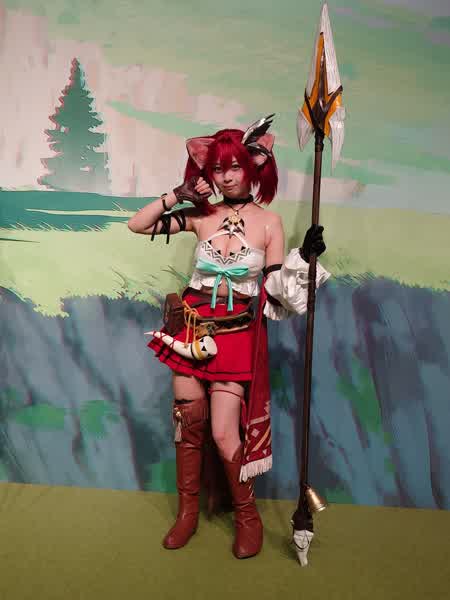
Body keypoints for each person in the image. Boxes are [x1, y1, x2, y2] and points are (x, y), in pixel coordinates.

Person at [127, 116, 330, 559]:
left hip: (236, 336)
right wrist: (175, 196)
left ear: (253, 166)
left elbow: (275, 290)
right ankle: (187, 514)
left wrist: (304, 258)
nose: (226, 176)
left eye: (234, 166)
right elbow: (136, 225)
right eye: (217, 168)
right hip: (189, 330)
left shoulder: (269, 222)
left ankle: (247, 517)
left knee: (223, 432)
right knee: (188, 424)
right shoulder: (202, 214)